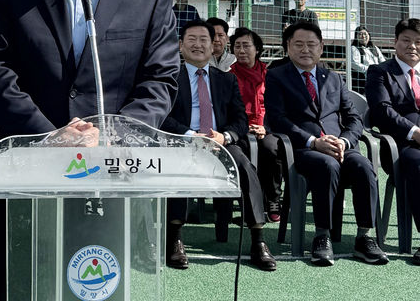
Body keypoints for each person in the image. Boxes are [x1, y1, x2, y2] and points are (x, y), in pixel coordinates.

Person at [0, 0, 179, 301]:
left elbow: (161, 78)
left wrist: (111, 134)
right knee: (27, 286)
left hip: (113, 173)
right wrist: (51, 136)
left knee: (101, 286)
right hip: (31, 170)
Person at [265, 21, 388, 266]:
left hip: (339, 146)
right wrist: (313, 142)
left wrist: (344, 141)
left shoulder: (332, 77)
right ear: (288, 47)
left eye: (311, 44)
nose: (305, 50)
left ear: (321, 48)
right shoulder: (277, 76)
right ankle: (322, 236)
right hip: (303, 149)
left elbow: (353, 117)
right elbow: (277, 119)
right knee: (326, 166)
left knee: (363, 167)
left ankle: (365, 237)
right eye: (298, 44)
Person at [162, 20, 277, 271]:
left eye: (204, 39)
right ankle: (174, 238)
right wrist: (191, 134)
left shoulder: (226, 80)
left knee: (245, 166)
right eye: (191, 39)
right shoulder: (170, 79)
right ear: (180, 45)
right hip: (184, 142)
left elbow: (239, 119)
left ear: (213, 45)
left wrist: (224, 137)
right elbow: (163, 116)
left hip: (219, 143)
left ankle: (258, 240)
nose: (198, 44)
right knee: (175, 166)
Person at [365, 18, 420, 265]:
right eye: (406, 40)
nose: (412, 46)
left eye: (418, 42)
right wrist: (415, 132)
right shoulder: (380, 72)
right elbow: (381, 111)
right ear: (395, 42)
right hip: (401, 144)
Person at [229, 27, 283, 221]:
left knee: (271, 148)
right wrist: (245, 126)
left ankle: (274, 200)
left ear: (257, 49)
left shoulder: (272, 76)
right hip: (240, 129)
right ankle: (249, 204)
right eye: (237, 46)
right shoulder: (228, 76)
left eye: (246, 46)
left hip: (266, 127)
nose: (241, 50)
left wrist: (265, 127)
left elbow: (277, 108)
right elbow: (229, 109)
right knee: (243, 150)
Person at [351, 26, 386, 92]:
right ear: (356, 37)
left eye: (365, 34)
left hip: (377, 78)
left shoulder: (374, 48)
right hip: (363, 80)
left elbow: (382, 61)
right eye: (360, 34)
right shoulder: (354, 48)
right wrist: (370, 69)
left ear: (369, 35)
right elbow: (354, 64)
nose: (363, 36)